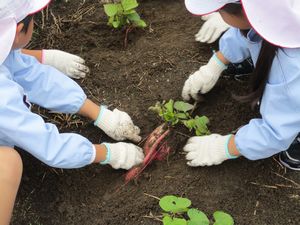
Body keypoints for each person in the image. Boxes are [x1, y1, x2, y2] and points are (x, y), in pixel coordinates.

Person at [0, 0, 144, 224]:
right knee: (8, 163)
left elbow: (33, 77)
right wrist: (106, 153)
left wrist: (99, 114)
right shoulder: (2, 97)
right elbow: (48, 145)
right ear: (19, 29)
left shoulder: (5, 52)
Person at [182, 0, 300, 171]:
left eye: (220, 11)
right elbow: (245, 32)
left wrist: (226, 147)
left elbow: (276, 132)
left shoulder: (290, 67)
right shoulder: (275, 11)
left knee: (291, 121)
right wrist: (216, 64)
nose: (219, 16)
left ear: (246, 11)